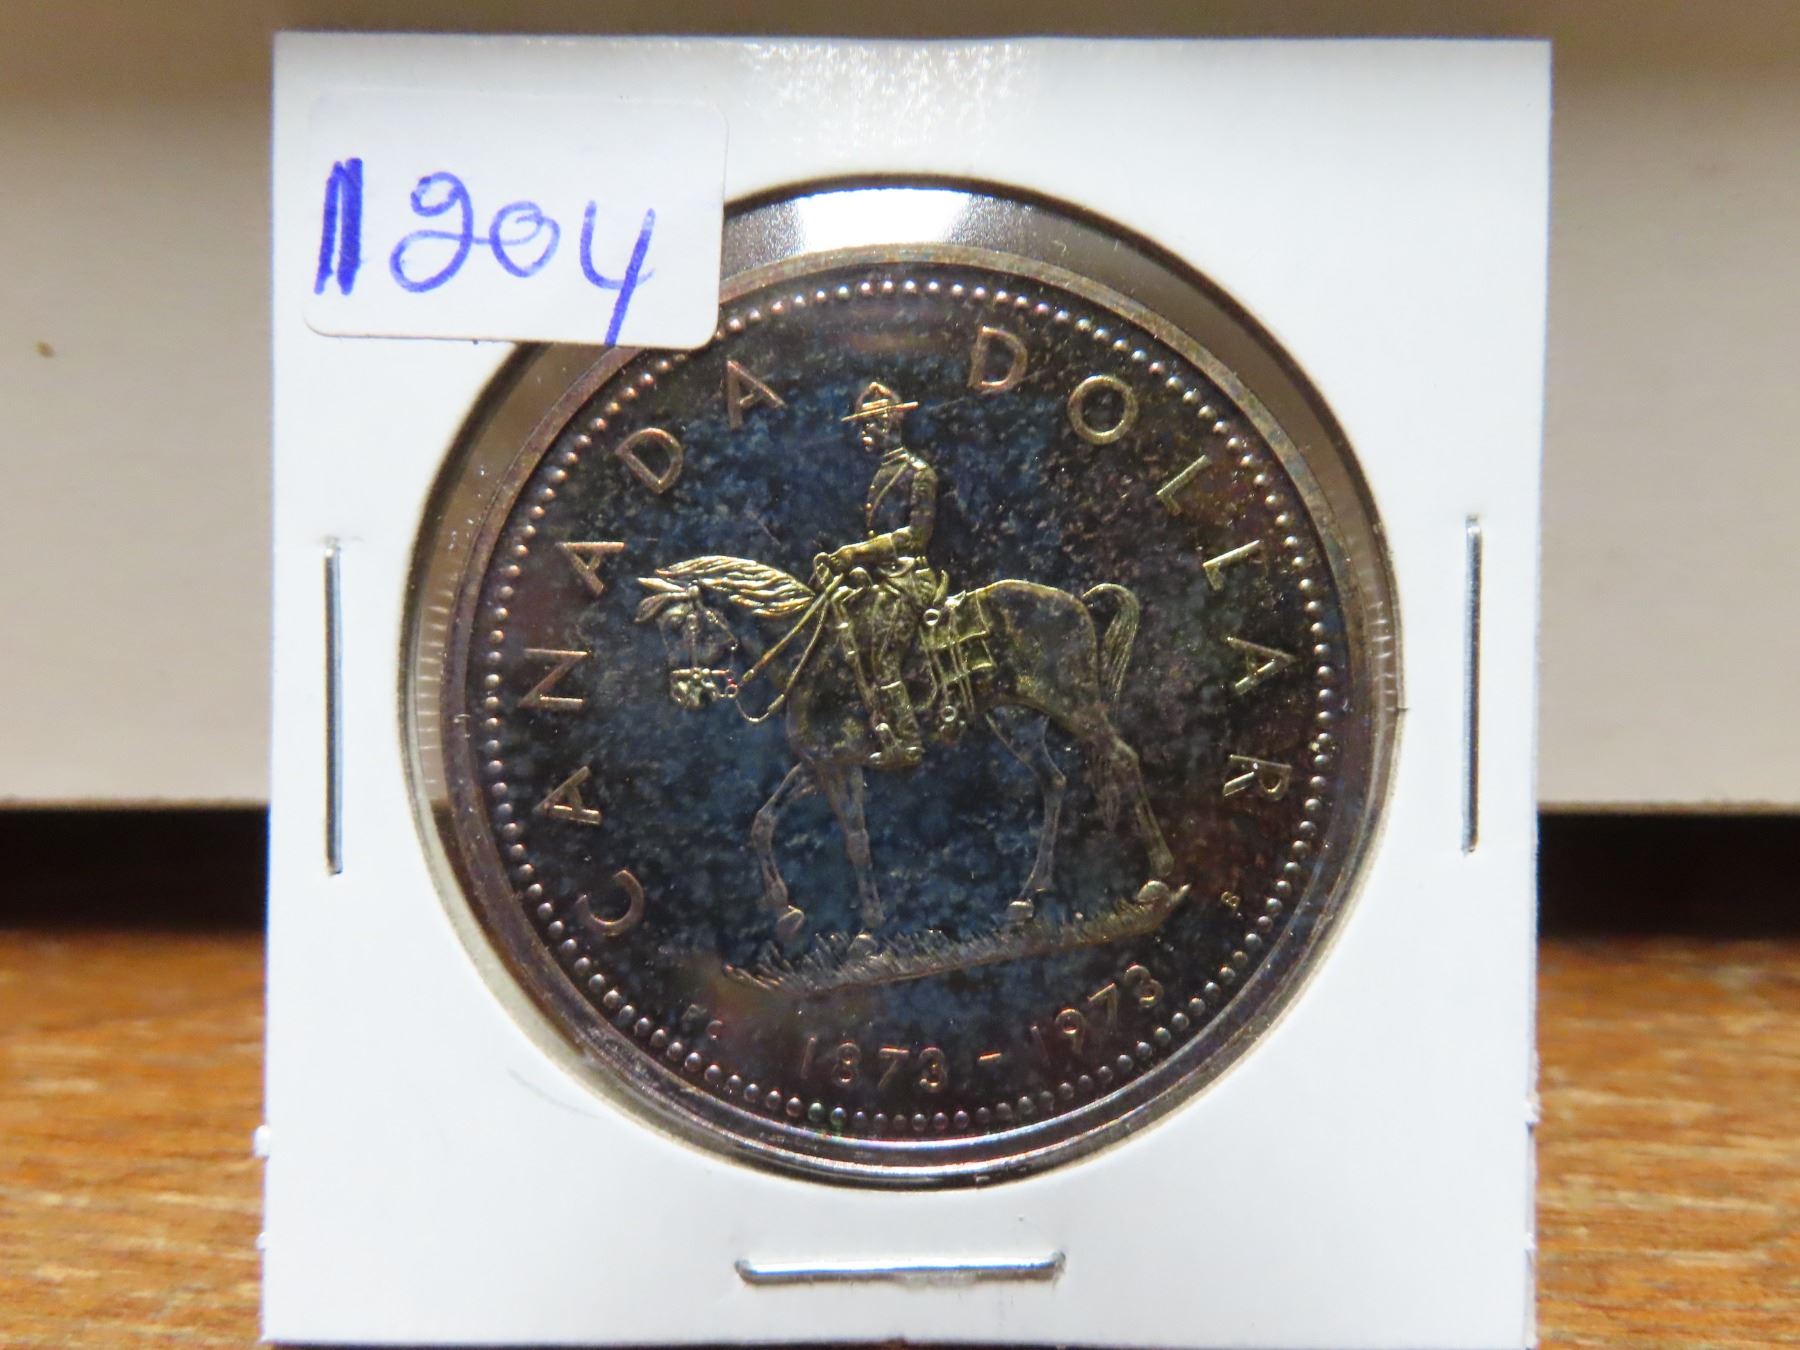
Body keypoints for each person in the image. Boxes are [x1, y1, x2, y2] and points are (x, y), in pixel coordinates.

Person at [818, 380, 942, 769]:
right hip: (885, 578)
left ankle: (908, 744)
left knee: (884, 657)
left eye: (868, 424)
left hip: (909, 581)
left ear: (888, 423)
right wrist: (856, 566)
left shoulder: (919, 473)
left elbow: (916, 537)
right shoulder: (885, 471)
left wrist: (858, 552)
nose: (863, 433)